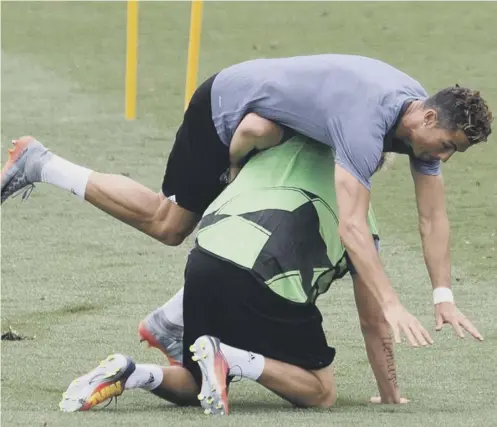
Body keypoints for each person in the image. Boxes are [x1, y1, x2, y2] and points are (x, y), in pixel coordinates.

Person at [1, 54, 491, 346]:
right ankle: (39, 162)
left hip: (283, 125)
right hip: (228, 107)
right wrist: (392, 304)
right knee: (167, 224)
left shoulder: (419, 122)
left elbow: (433, 217)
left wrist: (442, 296)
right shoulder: (367, 125)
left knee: (289, 218)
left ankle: (171, 321)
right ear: (427, 119)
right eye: (447, 146)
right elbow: (353, 228)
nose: (443, 159)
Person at [60, 136, 405, 416]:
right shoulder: (362, 224)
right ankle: (234, 360)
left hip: (204, 259)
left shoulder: (275, 149)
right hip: (265, 281)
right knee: (321, 391)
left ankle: (132, 372)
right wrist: (390, 394)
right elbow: (373, 323)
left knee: (196, 383)